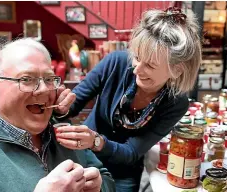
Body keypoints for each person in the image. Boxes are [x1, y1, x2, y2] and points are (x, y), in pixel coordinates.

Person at [53, 7, 202, 192]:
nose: (137, 69)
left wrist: (96, 141)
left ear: (177, 70)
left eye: (150, 65)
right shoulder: (116, 62)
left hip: (125, 171)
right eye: (137, 57)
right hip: (86, 158)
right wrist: (62, 107)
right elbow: (74, 104)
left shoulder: (176, 103)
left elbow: (132, 152)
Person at [0, 38, 115, 192]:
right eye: (27, 79)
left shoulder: (61, 127)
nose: (44, 89)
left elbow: (107, 180)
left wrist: (100, 186)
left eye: (49, 79)